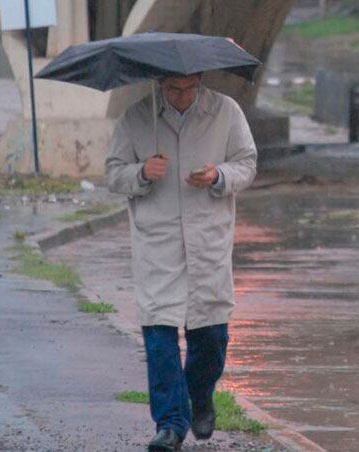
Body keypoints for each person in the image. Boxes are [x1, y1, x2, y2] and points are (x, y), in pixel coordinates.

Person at [105, 73, 257, 451]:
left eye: (190, 88)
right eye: (174, 89)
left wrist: (217, 174)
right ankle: (170, 425)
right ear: (160, 84)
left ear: (201, 81)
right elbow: (112, 172)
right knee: (160, 338)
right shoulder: (137, 118)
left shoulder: (226, 111)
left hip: (207, 240)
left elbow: (247, 163)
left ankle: (199, 393)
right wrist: (141, 172)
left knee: (211, 338)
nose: (183, 96)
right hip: (158, 243)